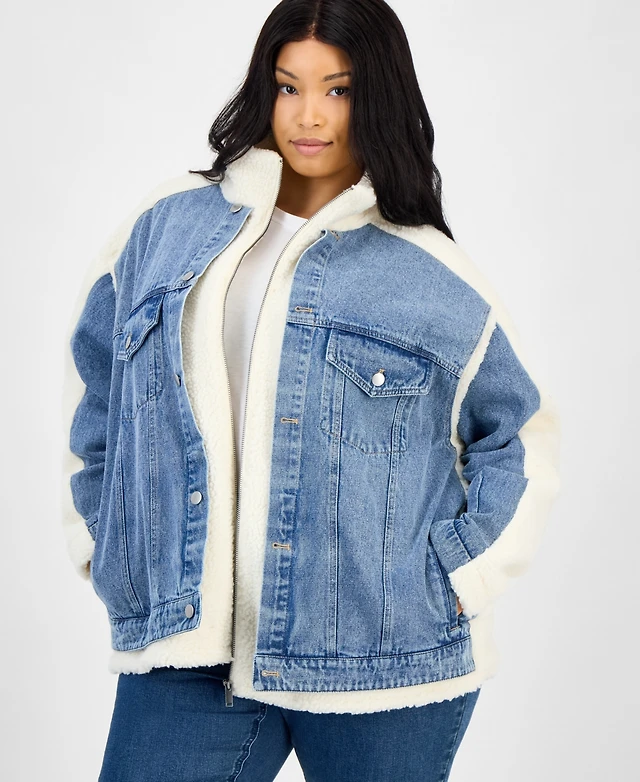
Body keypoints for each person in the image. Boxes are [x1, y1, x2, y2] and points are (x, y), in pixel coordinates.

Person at [61, 1, 562, 779]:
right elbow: (98, 387)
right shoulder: (165, 226)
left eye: (338, 89)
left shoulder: (430, 271)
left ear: (377, 96)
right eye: (288, 85)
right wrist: (108, 544)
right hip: (189, 649)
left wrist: (465, 573)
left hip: (386, 655)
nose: (309, 115)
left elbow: (517, 433)